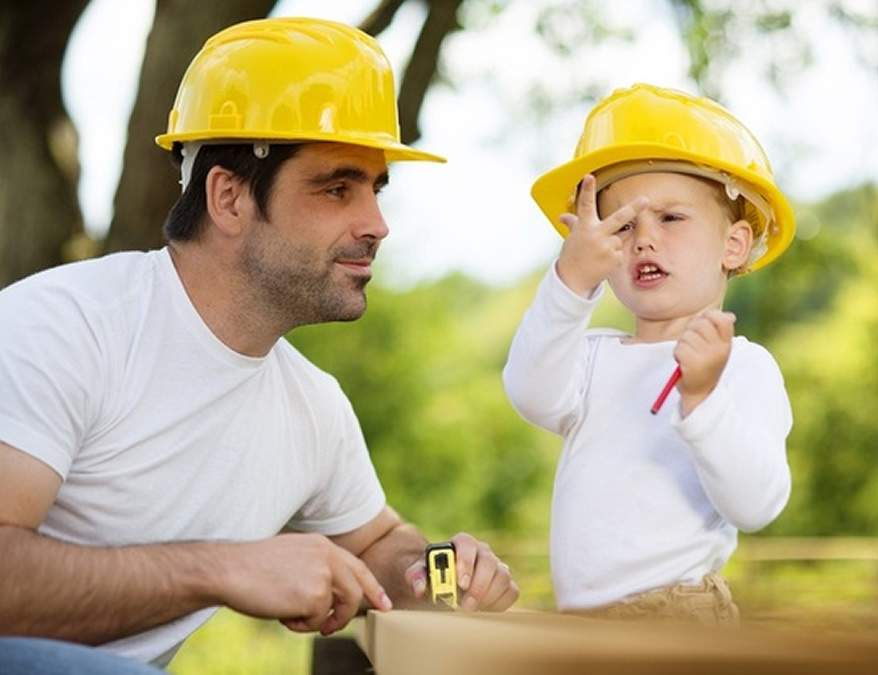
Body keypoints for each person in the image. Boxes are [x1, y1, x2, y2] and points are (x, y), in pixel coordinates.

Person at [0, 17, 518, 672]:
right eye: (338, 187)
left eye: (376, 189)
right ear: (229, 196)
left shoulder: (310, 408)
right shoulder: (61, 327)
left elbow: (382, 541)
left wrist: (447, 578)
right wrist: (221, 568)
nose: (378, 225)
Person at [503, 83, 794, 624]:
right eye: (623, 226)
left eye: (671, 219)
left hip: (678, 615)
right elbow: (529, 392)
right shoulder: (590, 359)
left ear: (733, 245)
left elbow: (756, 505)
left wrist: (702, 398)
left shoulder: (742, 367)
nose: (643, 240)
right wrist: (571, 280)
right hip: (587, 624)